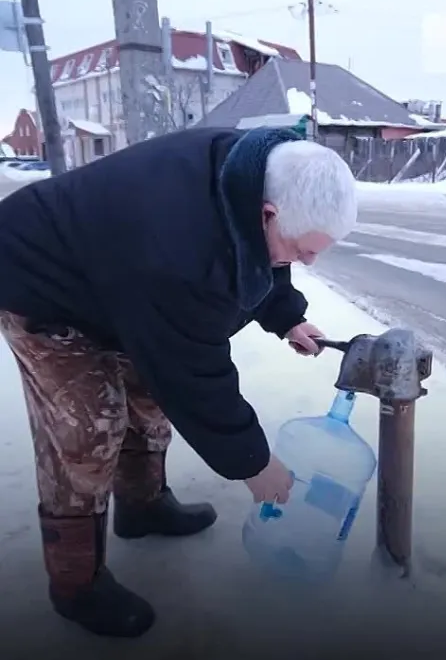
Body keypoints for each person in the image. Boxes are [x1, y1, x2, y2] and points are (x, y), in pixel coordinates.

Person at [0, 126, 358, 638]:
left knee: (148, 395)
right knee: (87, 427)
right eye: (304, 251)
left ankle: (142, 509)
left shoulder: (258, 173)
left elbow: (260, 259)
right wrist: (252, 463)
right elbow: (193, 370)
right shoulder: (177, 244)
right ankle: (76, 585)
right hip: (40, 281)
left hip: (119, 279)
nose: (308, 262)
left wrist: (287, 315)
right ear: (267, 214)